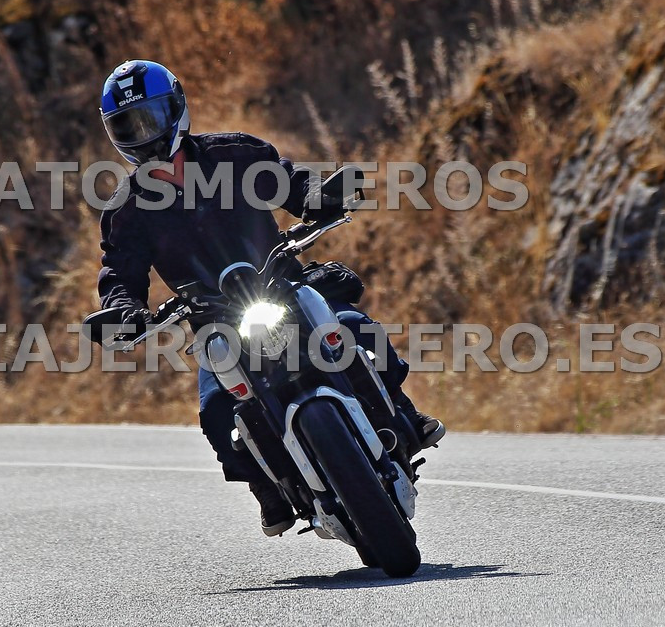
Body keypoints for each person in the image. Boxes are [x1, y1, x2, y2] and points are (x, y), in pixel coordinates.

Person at [95, 59, 445, 537]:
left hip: (281, 286)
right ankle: (270, 489)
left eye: (150, 119)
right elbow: (119, 271)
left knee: (353, 327)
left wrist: (322, 195)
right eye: (128, 126)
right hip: (216, 322)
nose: (143, 135)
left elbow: (292, 182)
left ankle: (402, 415)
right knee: (215, 410)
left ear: (175, 109)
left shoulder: (236, 154)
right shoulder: (127, 209)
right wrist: (123, 311)